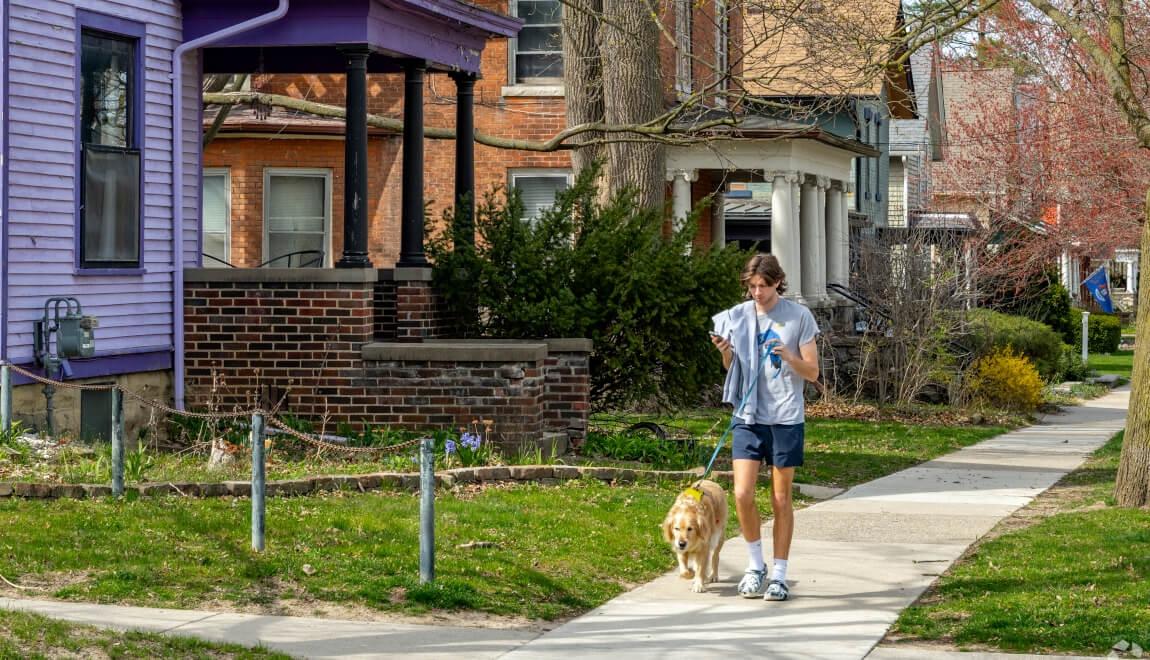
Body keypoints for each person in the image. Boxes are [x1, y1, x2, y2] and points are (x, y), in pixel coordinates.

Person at [710, 253, 820, 602]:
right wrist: (725, 352)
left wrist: (789, 356)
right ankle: (755, 566)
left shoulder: (798, 316)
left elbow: (813, 373)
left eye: (764, 286)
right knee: (742, 494)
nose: (758, 293)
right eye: (752, 287)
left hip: (785, 417)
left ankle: (780, 574)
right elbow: (732, 366)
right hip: (748, 415)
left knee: (780, 498)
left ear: (777, 283)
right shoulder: (738, 317)